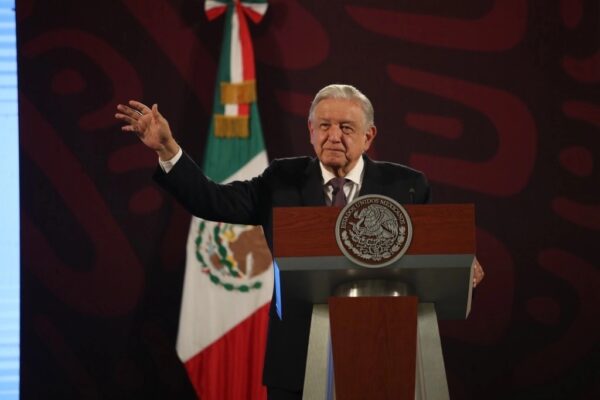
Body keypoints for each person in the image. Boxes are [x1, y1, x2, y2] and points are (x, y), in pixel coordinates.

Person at [116, 84, 485, 399]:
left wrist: (459, 260)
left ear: (369, 136)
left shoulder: (406, 185)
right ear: (310, 130)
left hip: (383, 353)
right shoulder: (281, 179)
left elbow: (431, 251)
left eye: (345, 127)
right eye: (324, 126)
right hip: (298, 356)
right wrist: (168, 149)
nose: (333, 136)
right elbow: (212, 200)